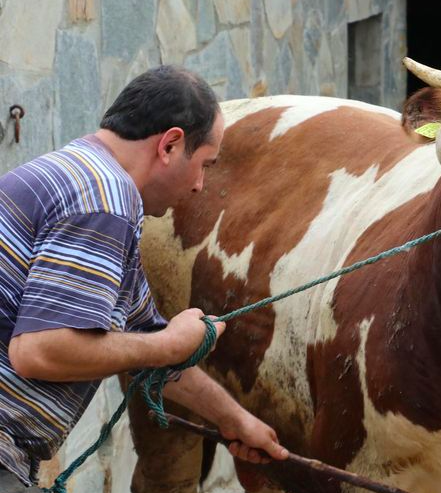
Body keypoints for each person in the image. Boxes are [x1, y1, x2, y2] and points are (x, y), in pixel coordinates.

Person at [0, 65, 288, 492]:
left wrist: (236, 422)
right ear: (170, 144)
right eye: (204, 165)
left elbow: (144, 349)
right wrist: (170, 343)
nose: (199, 186)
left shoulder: (81, 172)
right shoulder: (104, 200)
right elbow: (39, 350)